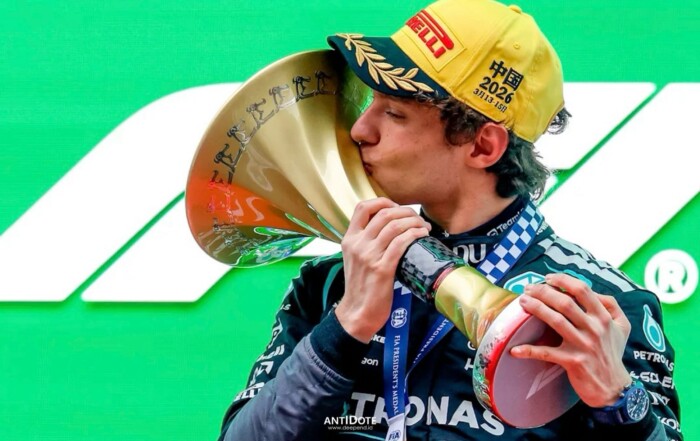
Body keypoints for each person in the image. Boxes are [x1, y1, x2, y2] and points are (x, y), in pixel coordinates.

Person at [218, 0, 681, 439]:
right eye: (370, 103)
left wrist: (619, 401)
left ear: (482, 146)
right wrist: (347, 325)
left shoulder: (599, 309)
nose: (360, 129)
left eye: (394, 113)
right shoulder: (329, 286)